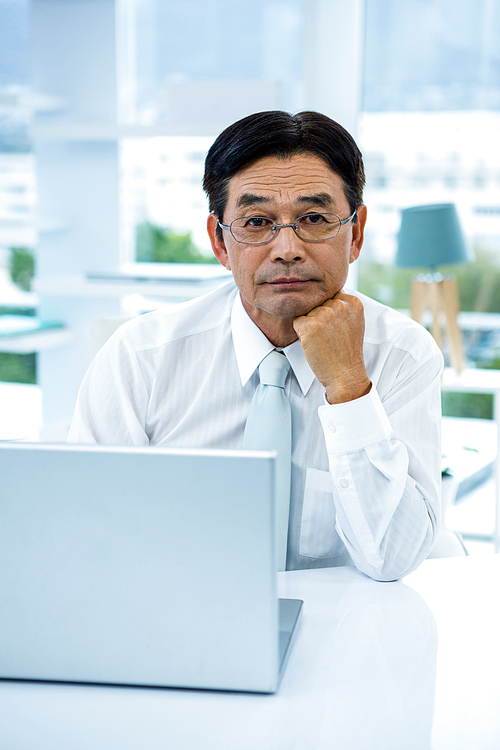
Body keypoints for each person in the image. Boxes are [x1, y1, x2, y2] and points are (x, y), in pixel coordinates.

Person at [68, 110, 443, 581]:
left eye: (314, 218)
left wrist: (349, 386)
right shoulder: (139, 359)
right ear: (220, 243)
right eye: (256, 221)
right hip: (175, 624)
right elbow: (88, 536)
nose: (287, 247)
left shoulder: (404, 356)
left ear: (356, 233)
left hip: (345, 637)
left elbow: (392, 561)